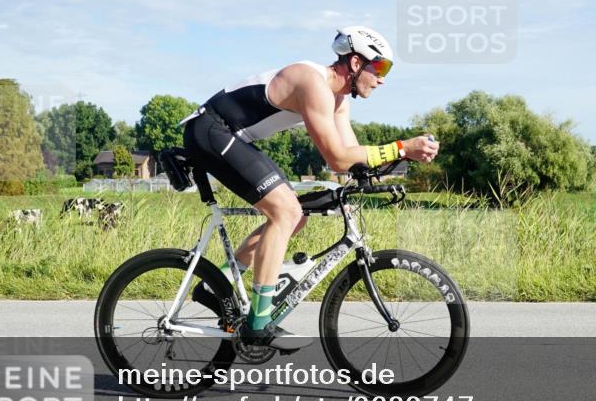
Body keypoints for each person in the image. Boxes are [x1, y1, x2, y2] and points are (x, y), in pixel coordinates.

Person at [179, 26, 439, 350]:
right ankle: (258, 324)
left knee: (295, 215)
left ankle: (217, 285)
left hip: (235, 136)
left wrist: (388, 169)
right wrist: (401, 147)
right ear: (356, 63)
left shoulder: (339, 100)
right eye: (380, 67)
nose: (383, 78)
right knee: (286, 212)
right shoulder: (312, 83)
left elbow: (350, 157)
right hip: (211, 130)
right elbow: (337, 156)